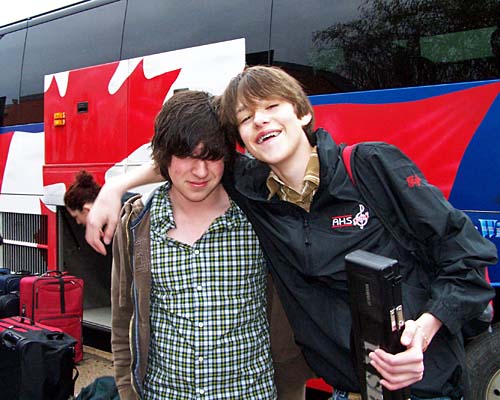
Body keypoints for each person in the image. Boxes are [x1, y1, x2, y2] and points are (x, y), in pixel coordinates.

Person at [86, 66, 497, 400]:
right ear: (243, 141)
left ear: (301, 112)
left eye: (271, 106)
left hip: (424, 387)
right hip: (349, 388)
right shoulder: (255, 194)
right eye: (246, 118)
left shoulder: (370, 166)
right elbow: (185, 157)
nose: (259, 119)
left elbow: (467, 257)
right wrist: (114, 186)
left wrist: (425, 330)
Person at [111, 90, 276, 399]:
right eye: (187, 156)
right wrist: (127, 391)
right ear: (163, 155)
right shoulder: (136, 225)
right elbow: (123, 320)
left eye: (212, 157)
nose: (200, 172)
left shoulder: (260, 216)